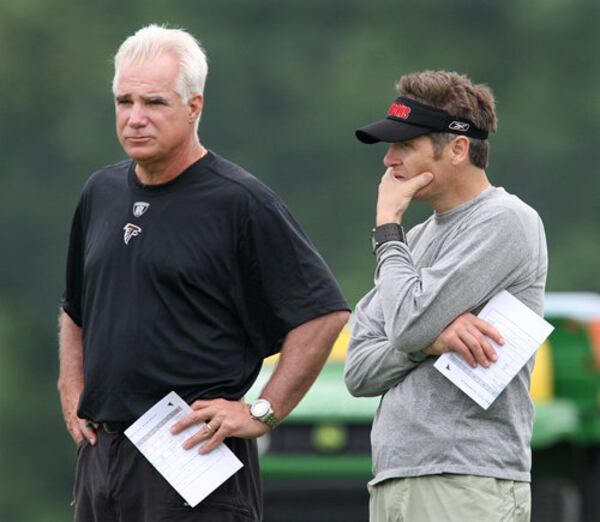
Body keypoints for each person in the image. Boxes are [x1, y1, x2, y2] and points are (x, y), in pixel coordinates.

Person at [58, 24, 349, 522]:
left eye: (154, 103)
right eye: (124, 102)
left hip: (190, 456)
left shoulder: (240, 201)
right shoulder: (100, 192)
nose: (134, 118)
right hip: (101, 455)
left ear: (194, 107)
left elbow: (323, 314)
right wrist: (71, 384)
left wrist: (263, 410)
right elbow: (75, 307)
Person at [344, 70, 547, 522]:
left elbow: (407, 323)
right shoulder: (413, 241)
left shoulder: (506, 220)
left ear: (457, 148)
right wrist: (432, 339)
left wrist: (387, 230)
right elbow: (358, 369)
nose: (389, 160)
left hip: (466, 479)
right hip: (395, 477)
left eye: (405, 146)